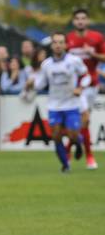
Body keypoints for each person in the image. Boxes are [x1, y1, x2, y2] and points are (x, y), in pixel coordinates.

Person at [26, 32, 89, 172]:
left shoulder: (74, 61)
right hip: (54, 105)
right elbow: (41, 84)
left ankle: (77, 142)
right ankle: (66, 165)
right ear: (52, 45)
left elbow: (86, 76)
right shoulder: (46, 64)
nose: (58, 45)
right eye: (55, 42)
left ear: (65, 45)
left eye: (61, 42)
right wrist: (32, 84)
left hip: (72, 103)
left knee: (72, 134)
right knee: (56, 135)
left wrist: (80, 87)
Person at [66, 8, 103, 169]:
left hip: (91, 86)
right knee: (82, 121)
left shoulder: (97, 37)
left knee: (83, 123)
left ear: (87, 21)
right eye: (77, 18)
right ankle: (88, 157)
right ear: (74, 21)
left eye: (83, 18)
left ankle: (68, 151)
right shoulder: (69, 39)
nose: (80, 21)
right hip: (74, 88)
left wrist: (92, 53)